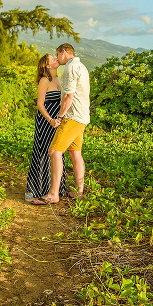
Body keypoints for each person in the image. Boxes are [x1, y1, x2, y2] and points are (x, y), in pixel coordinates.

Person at [42, 43, 90, 204]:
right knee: (75, 153)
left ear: (63, 52)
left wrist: (60, 116)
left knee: (54, 152)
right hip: (83, 117)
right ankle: (79, 192)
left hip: (72, 117)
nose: (57, 57)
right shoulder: (81, 66)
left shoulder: (70, 68)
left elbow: (68, 97)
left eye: (57, 54)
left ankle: (53, 194)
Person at [25, 54, 67, 205]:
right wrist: (50, 120)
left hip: (58, 121)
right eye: (53, 59)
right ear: (48, 66)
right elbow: (40, 104)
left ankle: (55, 188)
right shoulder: (45, 80)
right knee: (42, 151)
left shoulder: (60, 79)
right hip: (46, 120)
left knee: (57, 151)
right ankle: (36, 189)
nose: (57, 59)